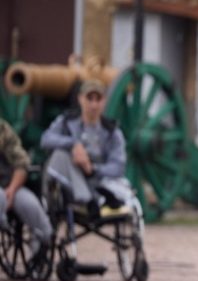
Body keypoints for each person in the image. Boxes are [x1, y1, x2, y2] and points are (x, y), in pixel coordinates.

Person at [40, 79, 132, 217]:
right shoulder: (66, 121)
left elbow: (118, 166)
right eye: (89, 98)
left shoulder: (113, 132)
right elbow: (45, 139)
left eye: (98, 99)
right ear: (80, 99)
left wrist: (92, 169)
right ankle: (88, 199)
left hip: (98, 182)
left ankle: (90, 197)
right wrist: (73, 144)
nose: (93, 105)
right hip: (68, 187)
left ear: (104, 101)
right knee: (60, 155)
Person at [0, 119, 53, 265]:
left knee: (31, 205)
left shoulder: (3, 129)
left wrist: (12, 189)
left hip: (10, 186)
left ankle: (40, 250)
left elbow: (21, 163)